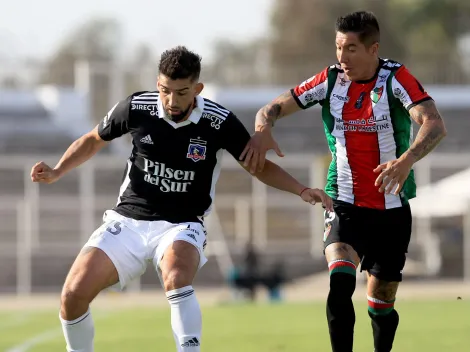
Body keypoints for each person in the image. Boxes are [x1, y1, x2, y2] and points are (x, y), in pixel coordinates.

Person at [30, 45, 333, 352]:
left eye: (181, 92)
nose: (171, 101)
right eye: (165, 90)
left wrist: (302, 189)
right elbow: (94, 139)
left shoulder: (219, 121)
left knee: (176, 276)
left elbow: (258, 167)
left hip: (182, 224)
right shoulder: (137, 107)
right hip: (128, 221)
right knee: (72, 295)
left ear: (197, 88)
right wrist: (56, 171)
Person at [241, 11, 447, 352]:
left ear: (373, 48)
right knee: (339, 282)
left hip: (391, 207)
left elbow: (434, 124)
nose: (342, 56)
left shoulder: (395, 78)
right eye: (339, 47)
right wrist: (263, 129)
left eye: (351, 48)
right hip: (344, 203)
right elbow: (271, 107)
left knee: (381, 301)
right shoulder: (330, 80)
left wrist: (406, 160)